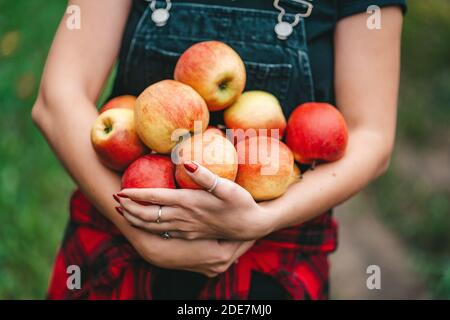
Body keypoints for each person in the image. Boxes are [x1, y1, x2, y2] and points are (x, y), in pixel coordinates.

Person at [32, 0, 406, 299]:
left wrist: (264, 220)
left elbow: (371, 137)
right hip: (122, 221)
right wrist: (136, 228)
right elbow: (57, 99)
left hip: (274, 253)